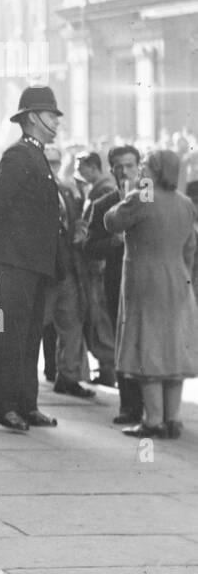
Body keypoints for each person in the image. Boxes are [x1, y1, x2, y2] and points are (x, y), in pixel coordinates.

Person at [0, 87, 64, 433]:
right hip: (18, 262)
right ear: (32, 118)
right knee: (11, 332)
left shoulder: (36, 155)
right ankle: (3, 406)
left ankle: (26, 404)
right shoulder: (19, 155)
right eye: (50, 114)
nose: (56, 120)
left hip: (34, 261)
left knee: (30, 335)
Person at [106, 149, 198, 439]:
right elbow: (190, 249)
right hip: (178, 283)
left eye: (145, 165)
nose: (142, 169)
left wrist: (126, 194)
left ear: (156, 171)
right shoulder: (185, 204)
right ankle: (172, 420)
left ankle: (153, 421)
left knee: (148, 350)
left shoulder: (142, 196)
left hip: (146, 285)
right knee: (173, 353)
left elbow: (112, 221)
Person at [85, 146, 144, 425]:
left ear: (140, 167)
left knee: (147, 342)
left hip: (147, 285)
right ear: (111, 170)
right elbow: (89, 246)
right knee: (122, 344)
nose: (124, 172)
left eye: (129, 165)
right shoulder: (103, 205)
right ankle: (129, 406)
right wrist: (114, 242)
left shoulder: (151, 199)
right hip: (117, 283)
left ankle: (152, 405)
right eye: (118, 167)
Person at [43, 146, 95, 400]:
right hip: (45, 272)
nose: (52, 167)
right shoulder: (33, 191)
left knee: (71, 325)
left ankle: (69, 377)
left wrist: (79, 231)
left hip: (68, 270)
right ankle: (14, 376)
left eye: (56, 162)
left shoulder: (65, 190)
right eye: (48, 162)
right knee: (31, 325)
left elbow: (73, 224)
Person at [75, 152, 118, 387]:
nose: (80, 174)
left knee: (100, 317)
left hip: (97, 266)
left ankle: (108, 368)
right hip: (96, 264)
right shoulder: (99, 189)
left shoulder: (102, 191)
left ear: (92, 167)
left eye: (82, 168)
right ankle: (106, 367)